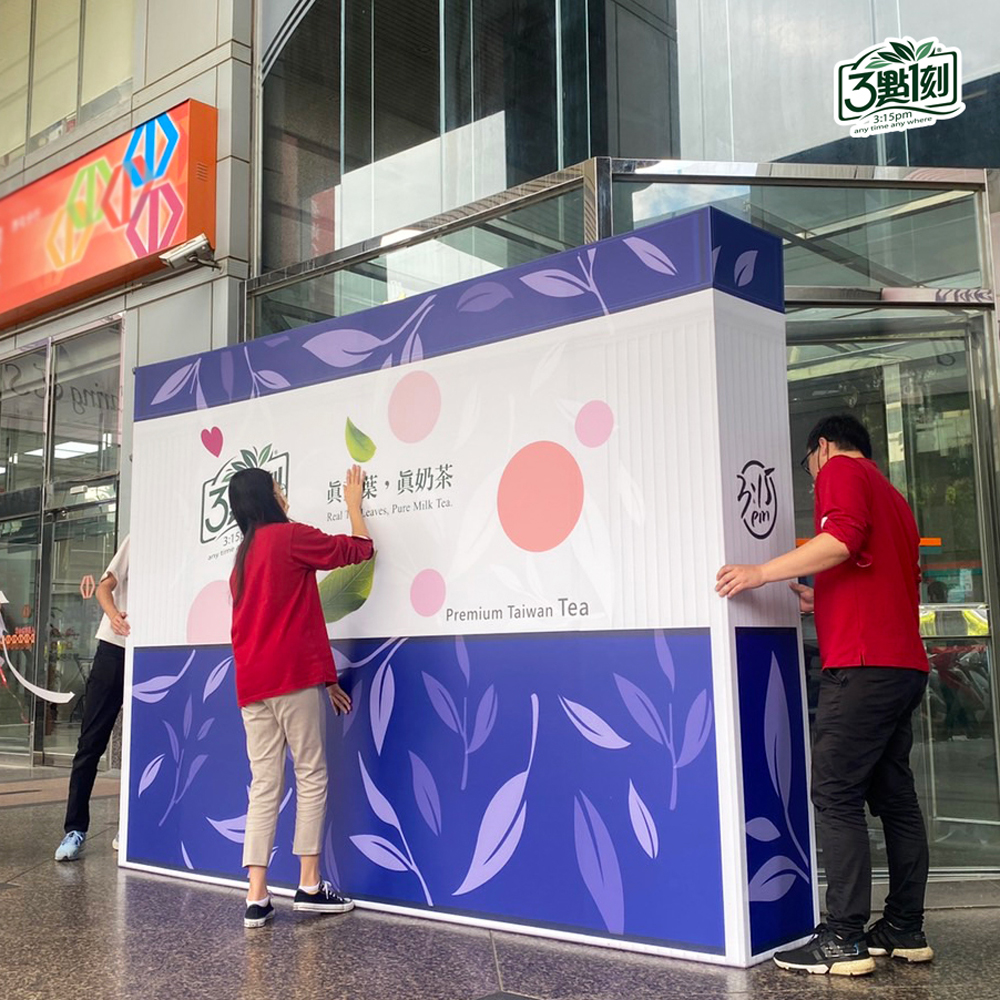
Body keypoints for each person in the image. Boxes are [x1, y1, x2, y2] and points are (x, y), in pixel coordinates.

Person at [716, 414, 932, 976]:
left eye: (807, 463)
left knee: (835, 793)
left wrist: (759, 572)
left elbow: (840, 541)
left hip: (861, 667)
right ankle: (904, 927)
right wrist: (825, 602)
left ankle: (842, 938)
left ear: (825, 446)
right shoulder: (894, 497)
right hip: (902, 666)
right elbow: (881, 577)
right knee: (895, 799)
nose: (812, 475)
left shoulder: (839, 469)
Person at [229, 464, 374, 928]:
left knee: (264, 784)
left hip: (253, 686)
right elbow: (358, 550)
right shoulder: (290, 538)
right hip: (291, 679)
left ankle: (256, 895)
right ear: (266, 497)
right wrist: (354, 506)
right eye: (277, 487)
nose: (283, 494)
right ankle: (309, 886)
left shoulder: (242, 557)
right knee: (310, 774)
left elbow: (296, 615)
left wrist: (327, 678)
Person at [56, 536, 130, 861]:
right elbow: (104, 587)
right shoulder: (138, 539)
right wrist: (114, 615)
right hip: (115, 649)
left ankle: (131, 825)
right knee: (90, 743)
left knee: (148, 746)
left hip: (156, 650)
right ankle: (75, 829)